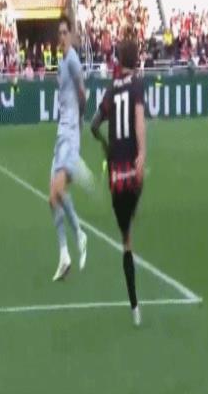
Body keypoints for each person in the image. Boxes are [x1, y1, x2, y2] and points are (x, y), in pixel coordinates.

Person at [90, 38, 146, 326]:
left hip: (115, 174)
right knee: (138, 189)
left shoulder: (111, 90)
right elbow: (139, 120)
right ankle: (133, 212)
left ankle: (134, 307)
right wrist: (142, 153)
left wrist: (105, 146)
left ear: (119, 60)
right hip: (133, 174)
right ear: (135, 61)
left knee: (126, 241)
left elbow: (93, 125)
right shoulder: (136, 86)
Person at [50, 15, 88, 282]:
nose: (62, 37)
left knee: (58, 189)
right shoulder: (62, 61)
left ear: (72, 35)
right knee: (52, 199)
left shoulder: (72, 60)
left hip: (70, 133)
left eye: (66, 32)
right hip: (61, 132)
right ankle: (64, 255)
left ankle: (80, 234)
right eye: (60, 33)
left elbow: (82, 94)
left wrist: (79, 122)